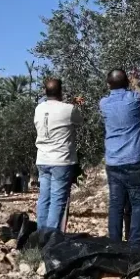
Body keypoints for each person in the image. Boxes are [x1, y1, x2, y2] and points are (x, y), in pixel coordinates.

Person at [100, 69, 140, 245]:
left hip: (113, 161)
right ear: (127, 83)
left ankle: (114, 244)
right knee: (138, 204)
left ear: (108, 85)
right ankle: (134, 244)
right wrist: (135, 82)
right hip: (135, 158)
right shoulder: (135, 99)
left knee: (116, 205)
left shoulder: (104, 103)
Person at [34, 78, 84, 230]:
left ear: (45, 91)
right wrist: (77, 105)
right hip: (61, 161)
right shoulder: (69, 109)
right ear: (61, 91)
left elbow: (52, 108)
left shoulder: (39, 109)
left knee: (44, 198)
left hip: (42, 159)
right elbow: (80, 120)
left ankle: (41, 234)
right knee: (57, 200)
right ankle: (52, 237)